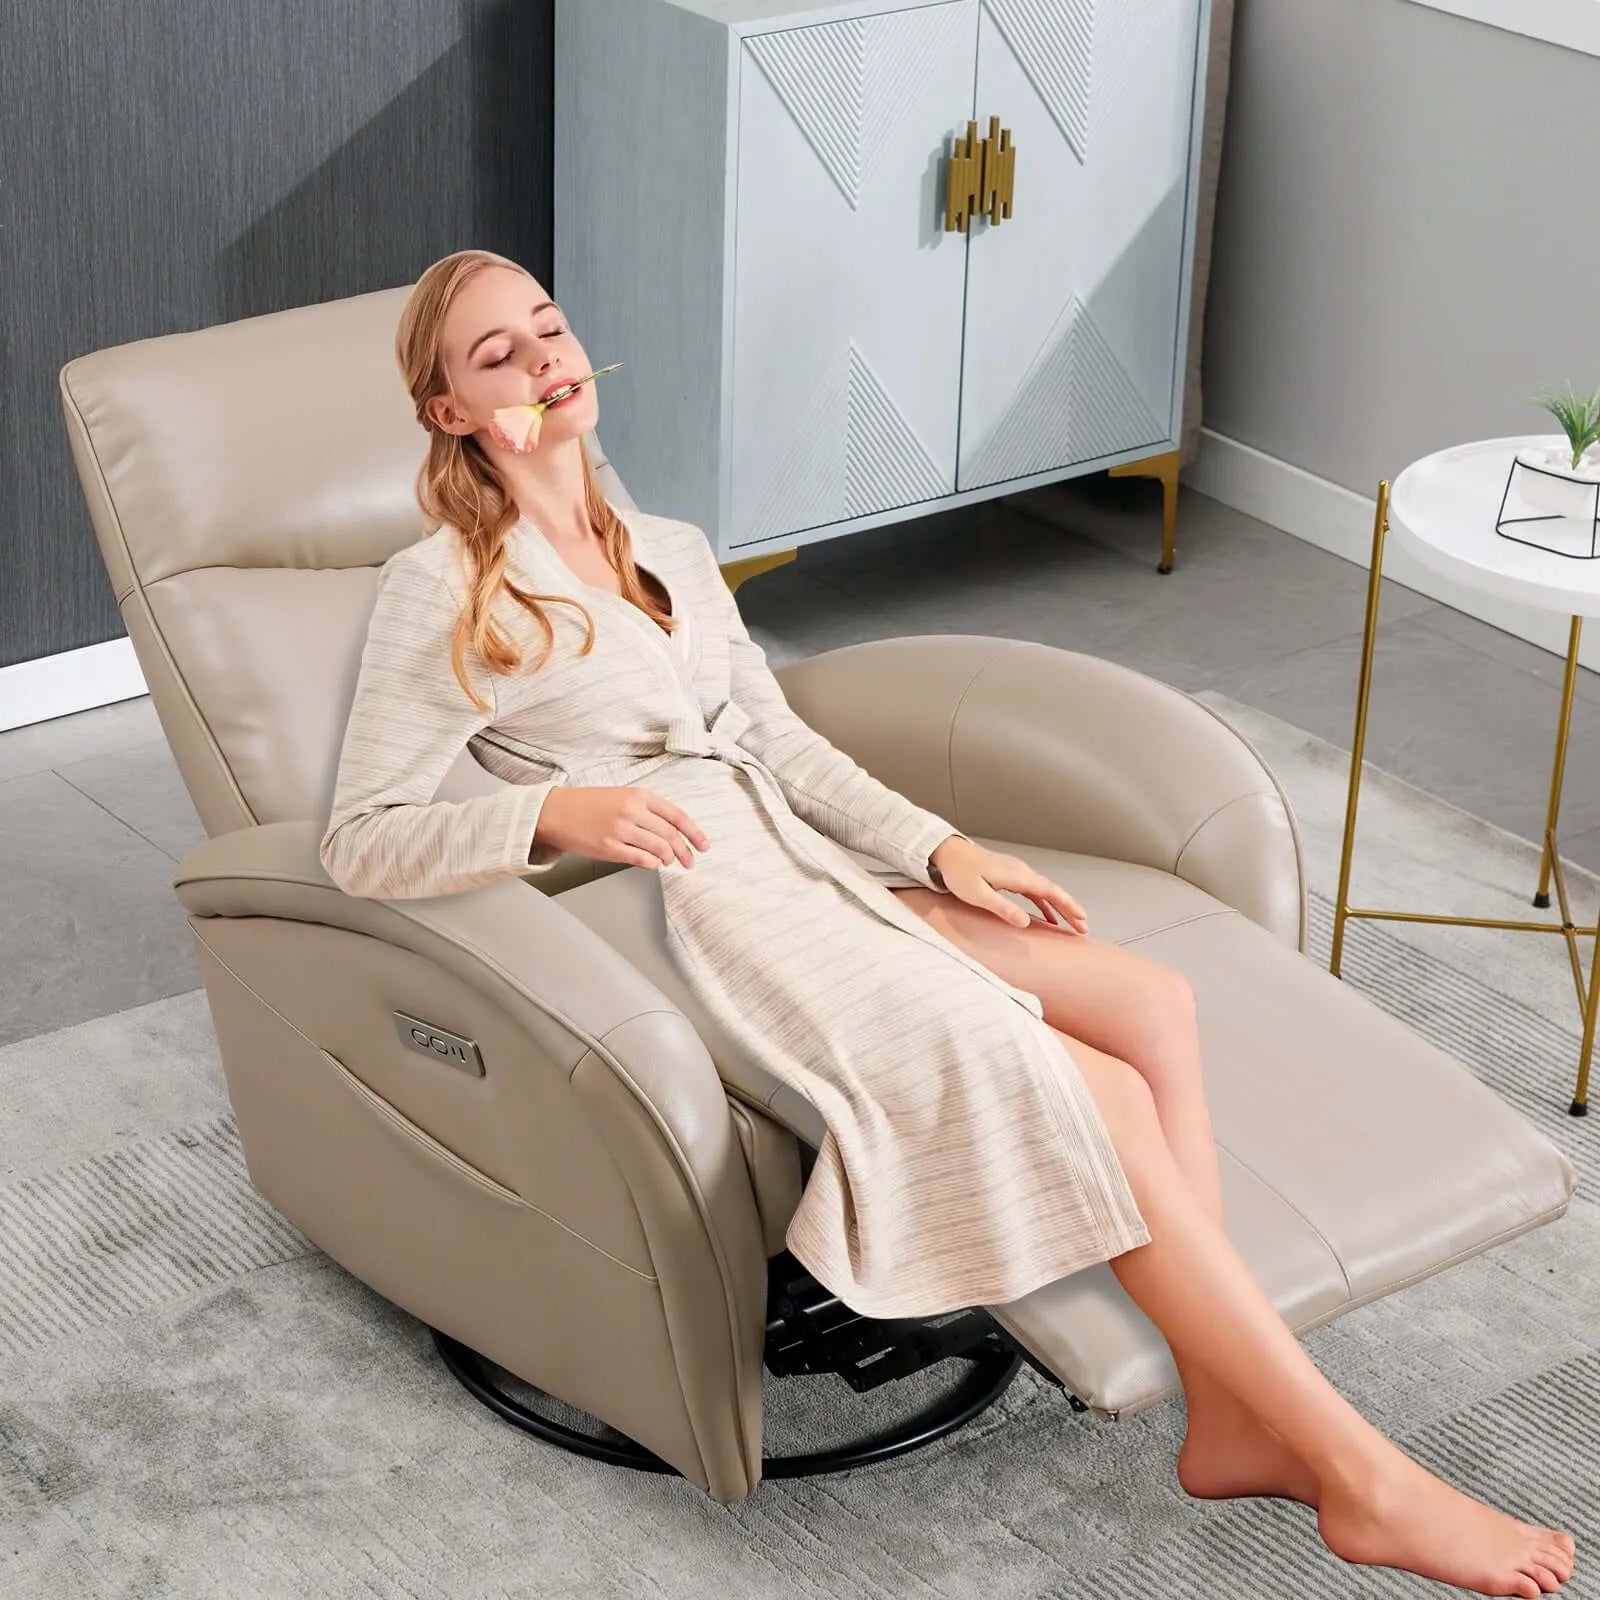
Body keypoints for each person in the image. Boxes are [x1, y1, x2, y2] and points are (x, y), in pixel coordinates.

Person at [320, 250, 1576, 1597]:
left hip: (810, 865)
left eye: (548, 328)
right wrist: (553, 816)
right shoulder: (445, 584)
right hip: (708, 910)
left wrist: (943, 848)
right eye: (495, 356)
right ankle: (1360, 1474)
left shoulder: (667, 551)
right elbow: (362, 840)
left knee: (1154, 1002)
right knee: (1082, 1083)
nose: (542, 358)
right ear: (450, 412)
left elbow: (777, 742)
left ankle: (1227, 1411)